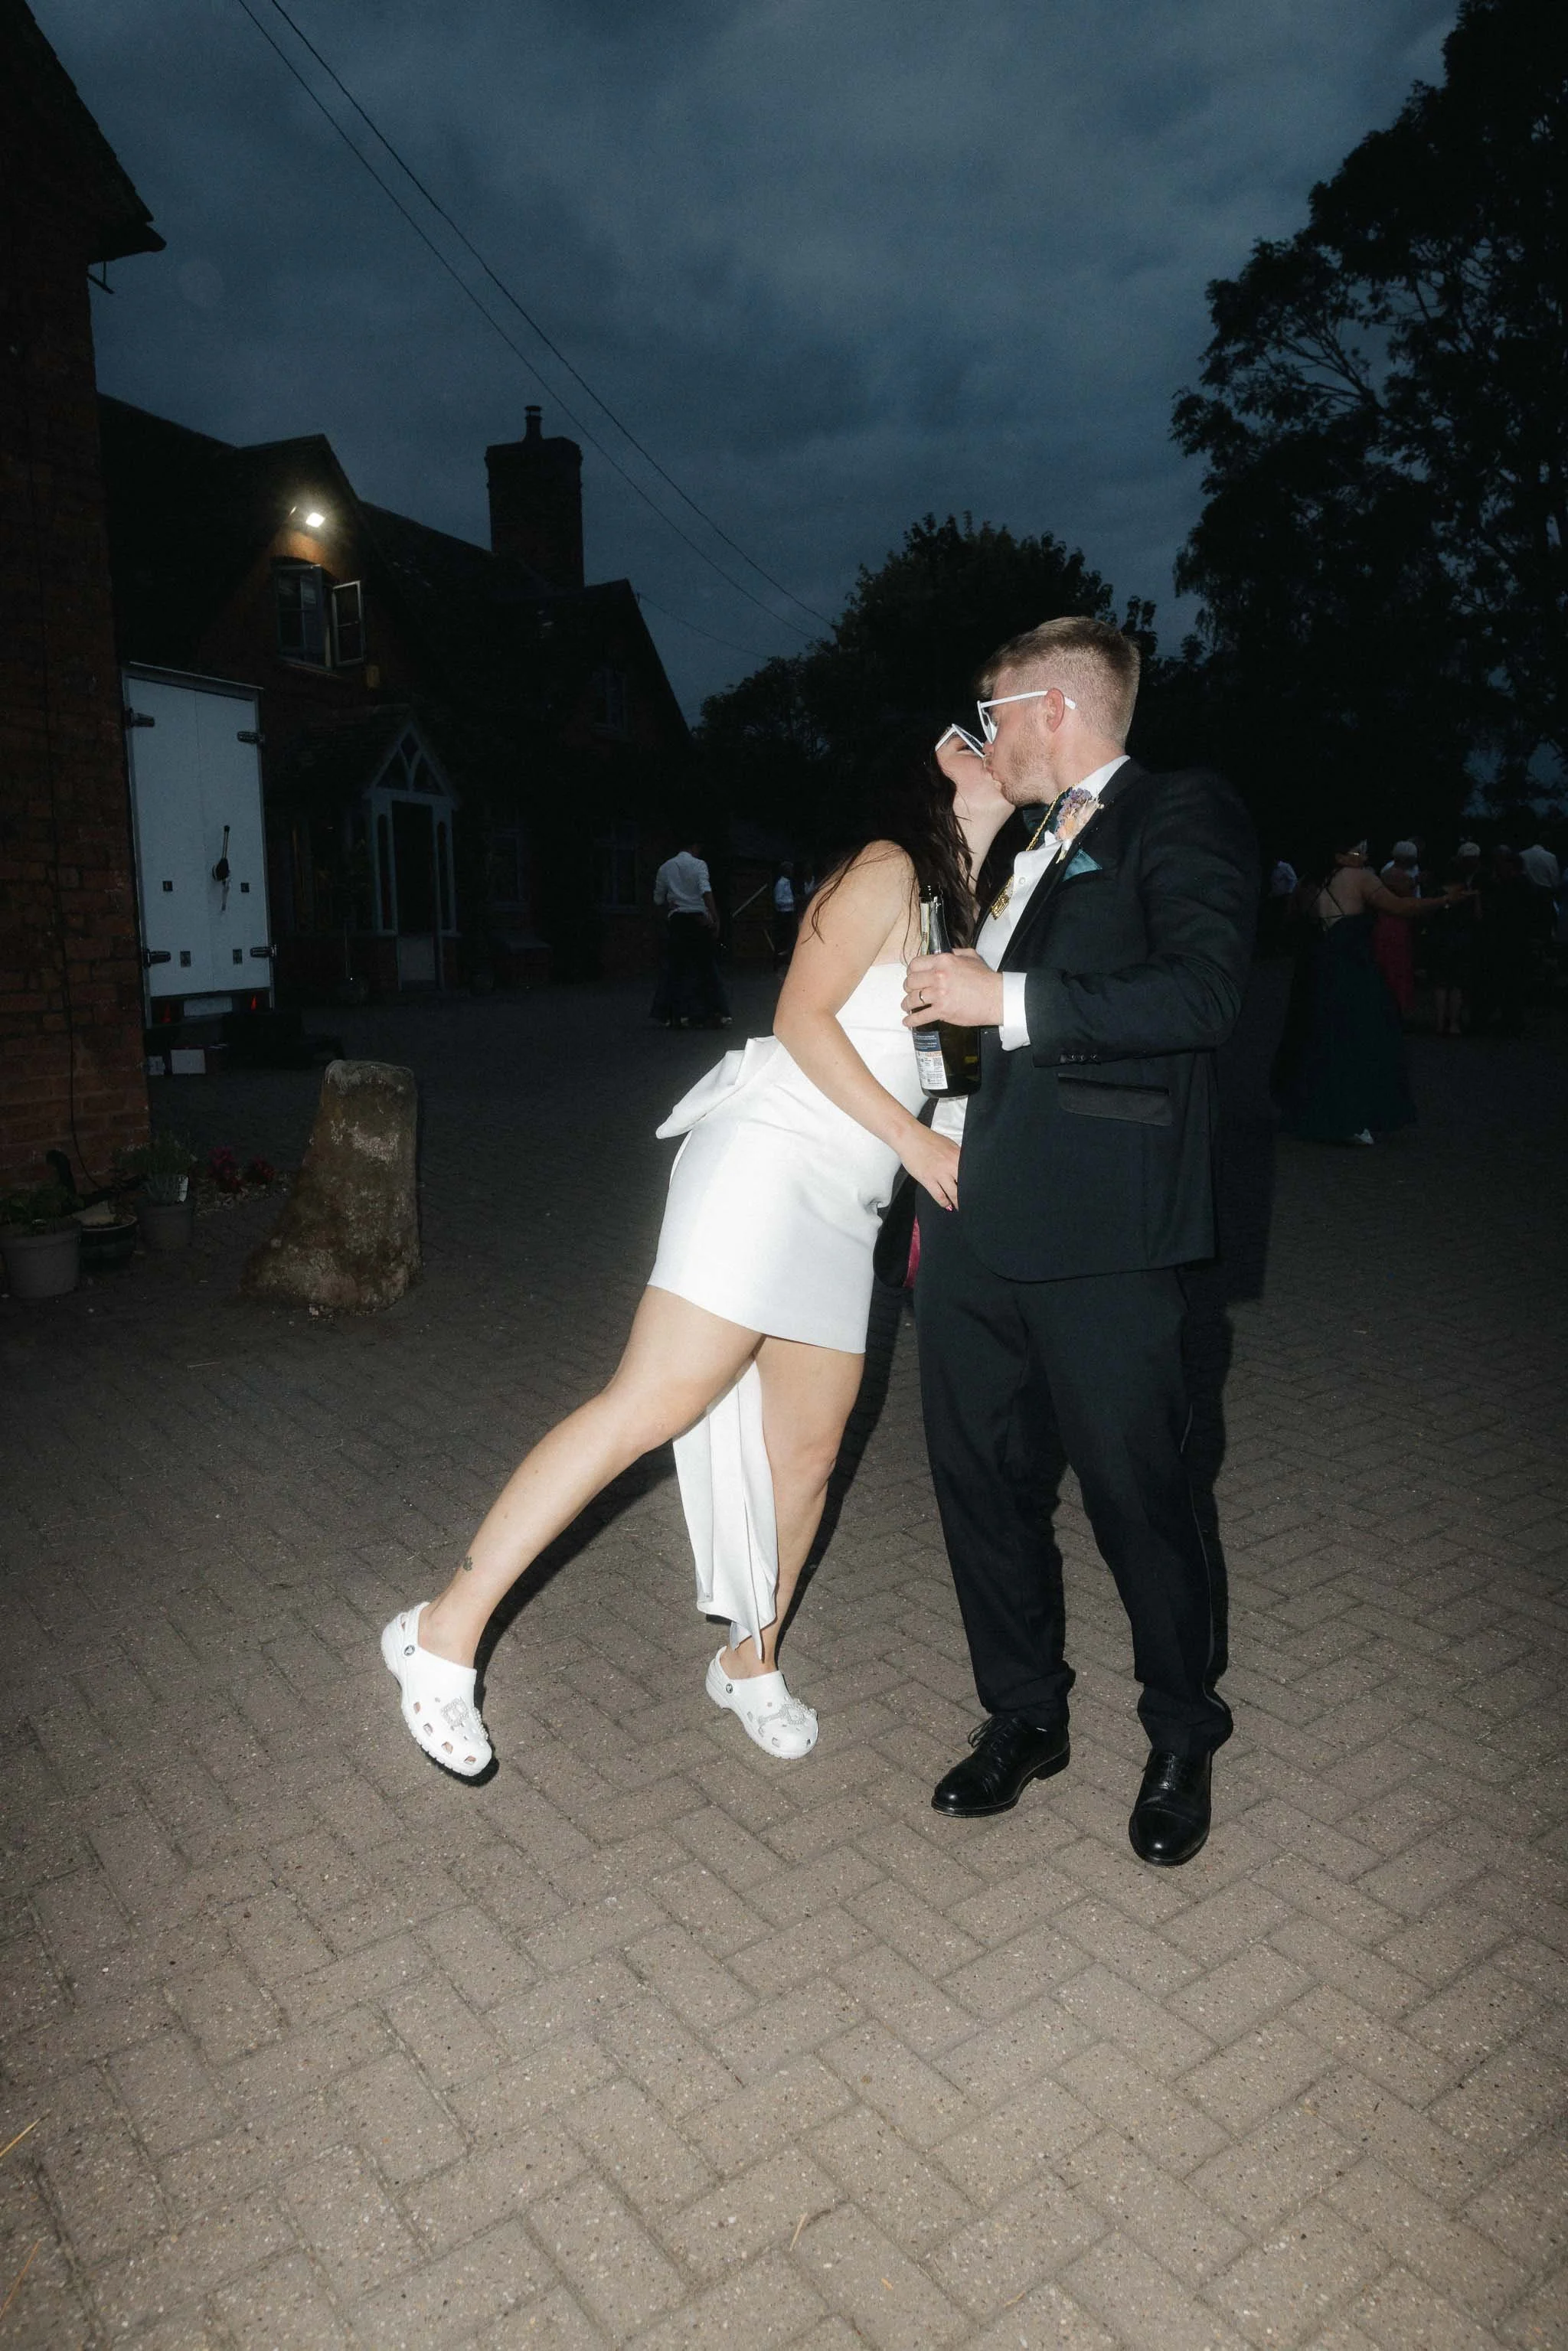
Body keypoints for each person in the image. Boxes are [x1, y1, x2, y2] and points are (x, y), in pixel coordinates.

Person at [381, 736, 1014, 1776]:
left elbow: (945, 1070)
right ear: (950, 757)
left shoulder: (973, 905)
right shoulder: (889, 865)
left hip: (847, 1197)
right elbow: (800, 1016)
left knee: (809, 1454)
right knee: (651, 1400)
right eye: (988, 734)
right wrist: (913, 1141)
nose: (1010, 752)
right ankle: (440, 1635)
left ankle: (750, 1660)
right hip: (767, 1157)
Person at [900, 615, 1256, 1870]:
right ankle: (1023, 1714)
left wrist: (1003, 998)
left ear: (1050, 705)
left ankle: (1178, 1733)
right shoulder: (1029, 840)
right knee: (977, 1484)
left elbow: (1204, 992)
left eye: (988, 715)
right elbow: (965, 999)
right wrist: (980, 819)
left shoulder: (1178, 811)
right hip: (972, 1216)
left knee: (1136, 1497)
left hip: (1109, 1226)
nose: (979, 735)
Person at [1272, 836, 1462, 1141]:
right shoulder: (1359, 877)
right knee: (1361, 1039)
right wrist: (1445, 900)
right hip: (1350, 971)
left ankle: (1307, 1111)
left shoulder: (1307, 881)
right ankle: (1350, 1117)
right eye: (1360, 848)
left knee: (1312, 1038)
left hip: (1313, 970)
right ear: (1344, 851)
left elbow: (1289, 923)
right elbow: (1400, 907)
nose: (1364, 854)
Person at [652, 837, 730, 1028]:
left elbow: (657, 899)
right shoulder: (699, 865)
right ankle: (714, 1011)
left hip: (678, 920)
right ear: (695, 846)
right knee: (706, 968)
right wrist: (715, 917)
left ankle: (673, 1014)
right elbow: (705, 891)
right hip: (697, 920)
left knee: (676, 968)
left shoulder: (665, 868)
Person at [1427, 843, 1483, 1036]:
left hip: (1440, 938)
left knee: (1441, 984)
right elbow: (1477, 917)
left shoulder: (1437, 893)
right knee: (1457, 984)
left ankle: (1439, 1022)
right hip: (1462, 938)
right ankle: (1454, 1024)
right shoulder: (1467, 894)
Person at [1372, 841, 1420, 1019]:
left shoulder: (1385, 874)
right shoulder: (1404, 879)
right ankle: (1397, 1008)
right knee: (1398, 966)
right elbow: (1410, 902)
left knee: (1386, 965)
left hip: (1383, 921)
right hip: (1399, 923)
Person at [770, 863, 798, 971]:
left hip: (790, 913)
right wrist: (793, 901)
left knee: (790, 938)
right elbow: (778, 900)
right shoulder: (781, 884)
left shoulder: (789, 883)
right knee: (783, 939)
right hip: (784, 914)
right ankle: (778, 963)